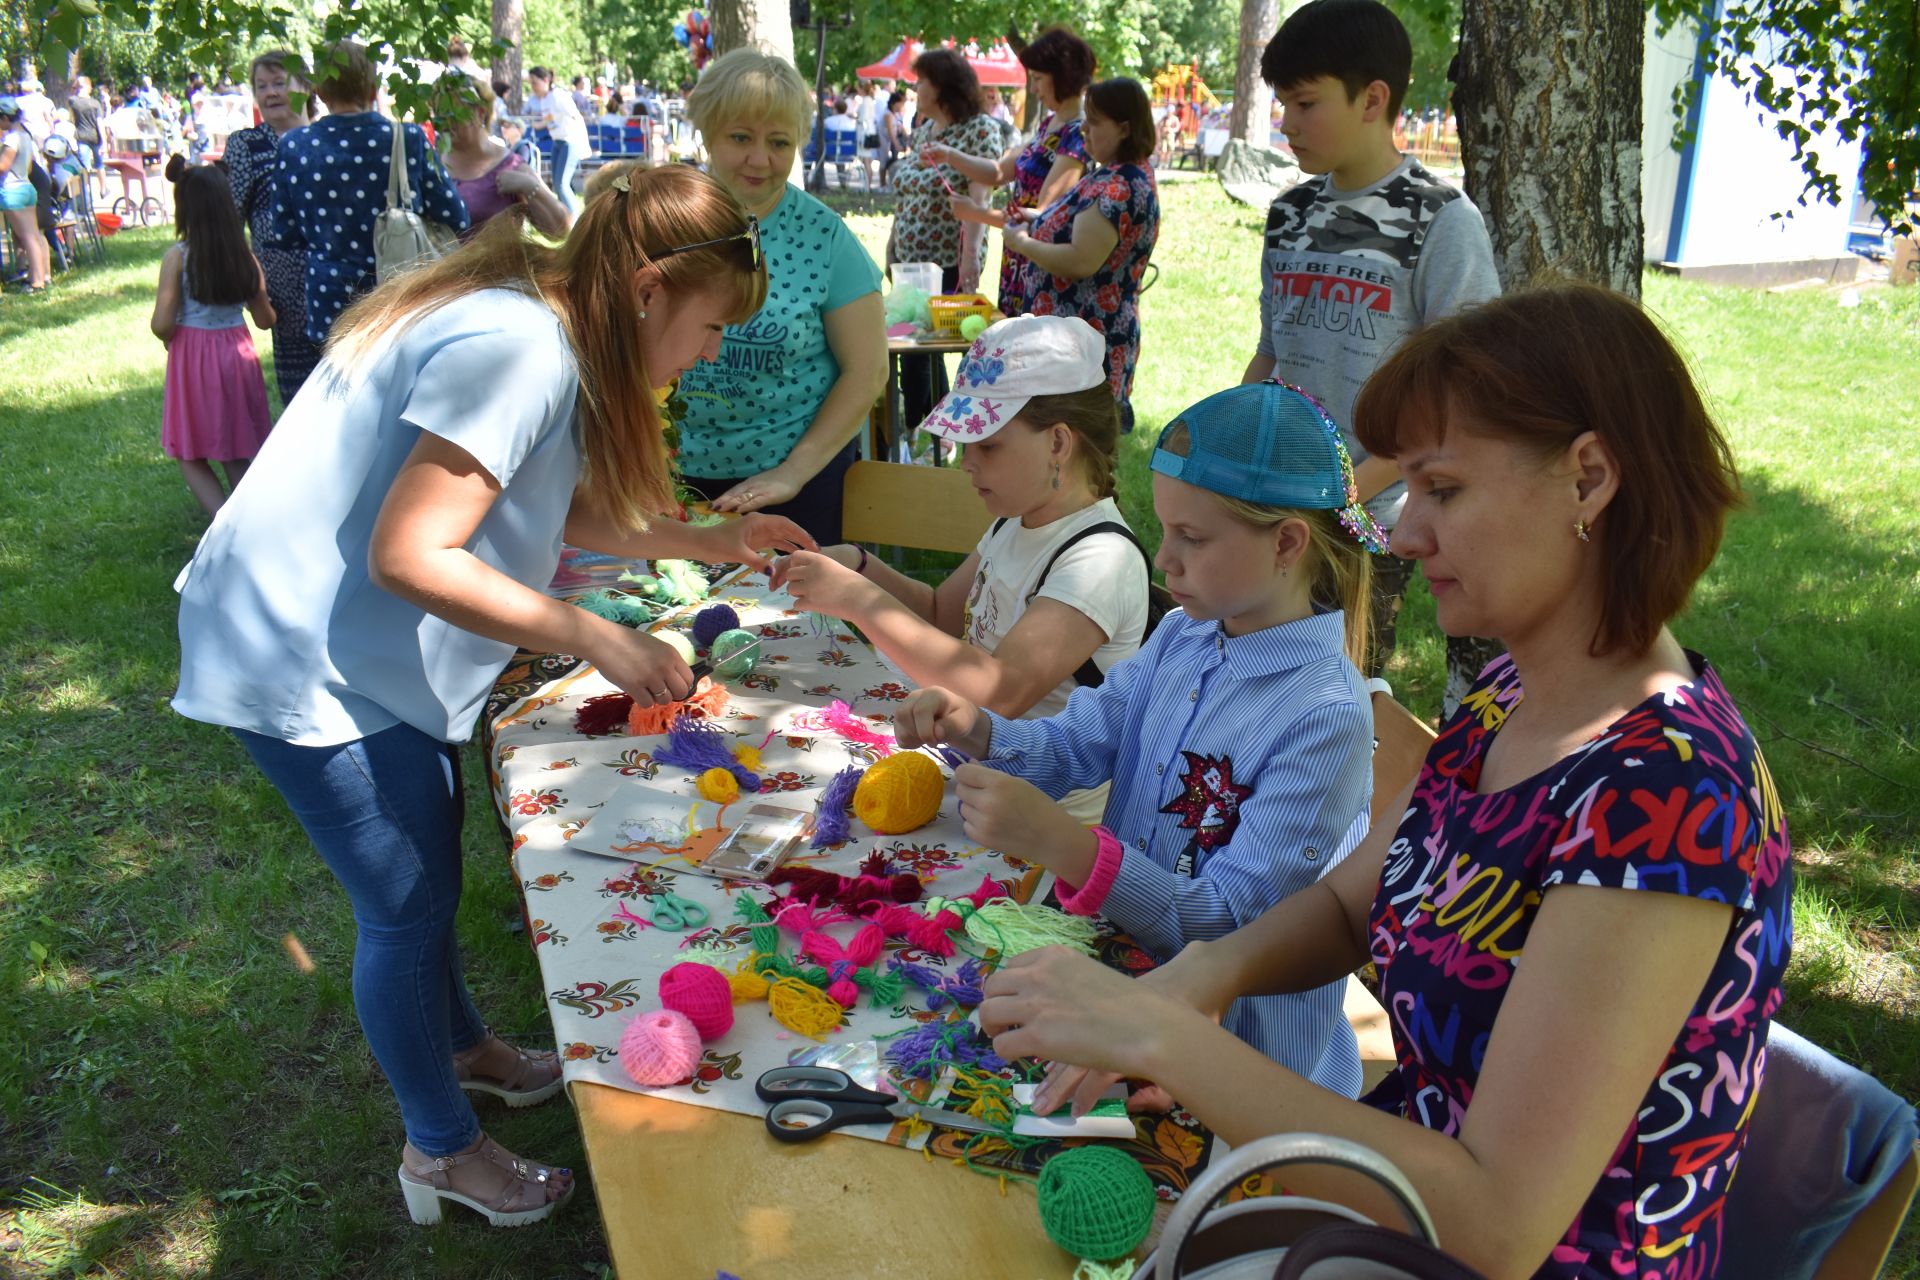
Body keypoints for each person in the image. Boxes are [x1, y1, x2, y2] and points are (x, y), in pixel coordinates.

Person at [977, 283, 1792, 1280]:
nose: (1402, 536)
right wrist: (1200, 981)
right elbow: (1345, 907)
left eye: (1441, 490)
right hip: (1381, 1200)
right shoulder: (1505, 705)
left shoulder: (1669, 796)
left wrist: (1164, 1036)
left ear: (1588, 479)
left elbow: (1497, 1223)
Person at [172, 162, 811, 1229]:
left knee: (430, 851)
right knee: (406, 902)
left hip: (352, 646)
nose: (703, 359)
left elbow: (554, 506)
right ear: (649, 285)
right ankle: (441, 1146)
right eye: (706, 329)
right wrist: (595, 634)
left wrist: (712, 536)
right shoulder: (519, 348)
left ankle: (462, 1042)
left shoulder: (544, 324)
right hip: (299, 652)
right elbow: (412, 552)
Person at [902, 378, 1381, 1093]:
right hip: (1124, 998)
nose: (1164, 561)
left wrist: (1066, 846)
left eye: (1191, 538)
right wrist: (978, 730)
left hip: (1240, 1077)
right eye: (1164, 531)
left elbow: (1230, 933)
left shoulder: (1323, 716)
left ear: (1286, 543)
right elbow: (1075, 745)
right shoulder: (1185, 635)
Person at [776, 315, 1149, 818]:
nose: (967, 461)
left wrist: (857, 600)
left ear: (1059, 443)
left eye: (988, 445)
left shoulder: (1099, 559)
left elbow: (996, 692)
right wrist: (863, 568)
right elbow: (942, 615)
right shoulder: (1016, 522)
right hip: (976, 783)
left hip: (1045, 828)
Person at [1246, 0, 1500, 702]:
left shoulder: (1442, 221)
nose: (1287, 124)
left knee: (1337, 697)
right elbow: (1272, 349)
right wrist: (1237, 441)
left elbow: (1463, 390)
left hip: (1373, 513)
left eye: (1305, 103)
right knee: (1258, 681)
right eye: (1281, 104)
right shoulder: (1289, 213)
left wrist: (1351, 488)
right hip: (1280, 498)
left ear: (1374, 99)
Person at [673, 48, 886, 545]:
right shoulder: (666, 219)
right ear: (707, 132)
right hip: (667, 479)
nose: (760, 160)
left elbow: (868, 370)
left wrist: (793, 472)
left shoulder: (826, 238)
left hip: (793, 490)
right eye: (741, 137)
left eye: (779, 142)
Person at [274, 39, 471, 349]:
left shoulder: (294, 146)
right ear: (372, 87)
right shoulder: (407, 139)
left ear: (320, 92)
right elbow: (456, 215)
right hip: (399, 295)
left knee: (340, 392)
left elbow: (284, 232)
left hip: (331, 303)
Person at [1005, 77, 1159, 433]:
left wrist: (1023, 244)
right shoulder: (1115, 172)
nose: (1083, 129)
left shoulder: (1118, 185)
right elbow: (1079, 226)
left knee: (1075, 456)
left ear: (1123, 128)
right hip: (1073, 343)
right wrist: (1037, 219)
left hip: (1083, 346)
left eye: (1094, 121)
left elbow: (1080, 260)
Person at [934, 25, 1095, 317]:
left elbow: (1042, 218)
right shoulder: (1050, 125)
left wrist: (977, 214)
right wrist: (949, 155)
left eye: (1037, 79)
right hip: (1021, 260)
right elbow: (997, 172)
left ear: (1063, 76)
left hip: (1044, 268)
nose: (1032, 89)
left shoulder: (1077, 135)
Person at [151, 155, 275, 515]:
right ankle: (248, 520)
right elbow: (265, 319)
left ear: (183, 209)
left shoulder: (178, 258)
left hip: (193, 357)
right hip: (237, 352)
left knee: (189, 451)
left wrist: (169, 331)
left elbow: (162, 323)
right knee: (236, 447)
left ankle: (224, 525)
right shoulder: (246, 258)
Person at [887, 48, 1000, 430]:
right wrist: (892, 246)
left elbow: (980, 198)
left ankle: (930, 432)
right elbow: (909, 195)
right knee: (913, 349)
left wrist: (970, 258)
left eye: (922, 81)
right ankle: (929, 430)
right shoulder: (923, 130)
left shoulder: (979, 130)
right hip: (909, 262)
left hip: (947, 263)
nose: (914, 87)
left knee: (924, 350)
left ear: (944, 86)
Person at [223, 50, 322, 406]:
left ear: (306, 87)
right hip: (284, 291)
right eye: (261, 86)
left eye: (279, 83)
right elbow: (228, 219)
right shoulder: (246, 145)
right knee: (302, 399)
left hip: (345, 278)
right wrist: (252, 283)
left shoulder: (329, 138)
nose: (270, 93)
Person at [436, 73, 571, 240]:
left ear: (480, 112)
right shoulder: (433, 162)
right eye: (439, 114)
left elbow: (560, 231)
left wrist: (530, 186)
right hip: (440, 266)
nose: (444, 122)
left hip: (498, 265)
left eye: (453, 112)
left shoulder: (511, 165)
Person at [0, 96, 49, 294]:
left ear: (5, 117)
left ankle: (37, 282)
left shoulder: (11, 139)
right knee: (34, 236)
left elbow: (3, 166)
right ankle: (38, 277)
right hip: (26, 188)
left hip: (12, 191)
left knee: (27, 238)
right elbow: (28, 168)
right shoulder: (25, 136)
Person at [525, 66, 590, 213]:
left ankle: (575, 221)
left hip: (570, 142)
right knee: (556, 183)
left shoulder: (560, 96)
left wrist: (585, 145)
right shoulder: (544, 100)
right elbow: (549, 120)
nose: (532, 87)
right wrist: (530, 125)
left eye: (534, 82)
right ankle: (565, 217)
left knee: (562, 184)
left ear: (546, 80)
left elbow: (577, 117)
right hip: (558, 142)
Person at [67, 75, 106, 198]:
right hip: (96, 137)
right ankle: (103, 189)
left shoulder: (74, 101)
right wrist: (104, 142)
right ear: (89, 87)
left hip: (82, 137)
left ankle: (86, 192)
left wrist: (76, 86)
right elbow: (100, 124)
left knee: (84, 167)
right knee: (99, 165)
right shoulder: (95, 103)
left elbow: (71, 92)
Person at [878, 88, 909, 189]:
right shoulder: (888, 114)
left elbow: (900, 127)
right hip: (884, 140)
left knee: (888, 161)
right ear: (894, 103)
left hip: (889, 141)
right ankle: (882, 184)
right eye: (900, 103)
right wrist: (897, 145)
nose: (902, 106)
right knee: (883, 161)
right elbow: (891, 132)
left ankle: (886, 184)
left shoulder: (895, 114)